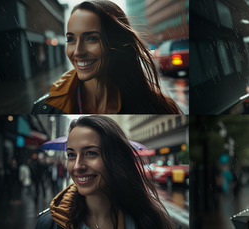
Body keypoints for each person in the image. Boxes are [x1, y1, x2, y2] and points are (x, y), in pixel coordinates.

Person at [31, 0, 180, 114]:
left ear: (118, 43)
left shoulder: (159, 108)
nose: (77, 52)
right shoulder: (45, 108)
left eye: (91, 38)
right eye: (71, 39)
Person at [36, 115, 175, 229]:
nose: (77, 166)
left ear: (116, 159)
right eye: (71, 155)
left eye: (90, 153)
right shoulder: (50, 224)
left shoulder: (151, 222)